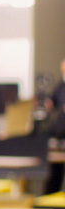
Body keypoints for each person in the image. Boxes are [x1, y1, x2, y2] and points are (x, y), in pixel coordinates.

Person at [45, 58, 65, 194]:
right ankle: (52, 195)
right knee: (55, 170)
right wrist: (48, 103)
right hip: (60, 132)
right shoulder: (60, 85)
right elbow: (53, 100)